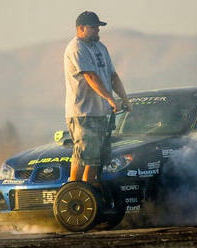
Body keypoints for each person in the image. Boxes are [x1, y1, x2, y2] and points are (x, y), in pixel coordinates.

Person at [64, 11, 131, 184]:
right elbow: (90, 76)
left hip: (100, 112)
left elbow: (113, 76)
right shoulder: (76, 47)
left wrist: (124, 99)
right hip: (83, 112)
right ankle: (75, 190)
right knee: (83, 154)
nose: (98, 31)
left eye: (98, 28)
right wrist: (110, 98)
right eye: (94, 28)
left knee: (96, 159)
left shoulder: (101, 48)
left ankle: (90, 192)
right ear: (81, 28)